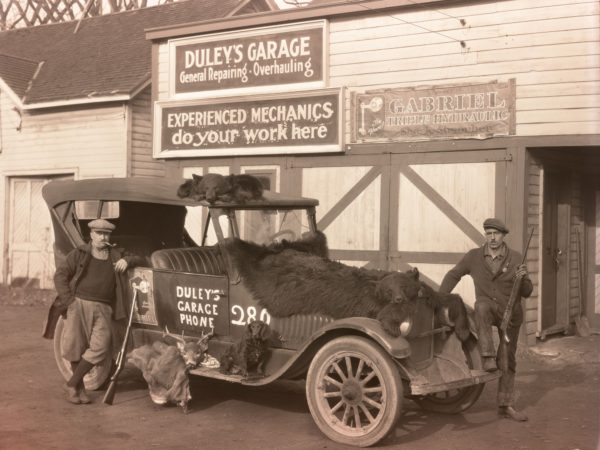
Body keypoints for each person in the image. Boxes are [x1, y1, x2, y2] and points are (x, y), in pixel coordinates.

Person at [439, 218, 532, 422]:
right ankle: (487, 356)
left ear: (503, 236)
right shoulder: (473, 256)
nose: (492, 238)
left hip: (511, 316)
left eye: (496, 234)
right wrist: (440, 297)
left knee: (507, 359)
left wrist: (524, 279)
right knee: (481, 306)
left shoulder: (516, 259)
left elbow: (527, 292)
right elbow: (454, 275)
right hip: (487, 311)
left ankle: (505, 405)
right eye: (488, 233)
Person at [53, 219, 144, 404]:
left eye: (107, 234)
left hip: (104, 308)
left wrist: (127, 260)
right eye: (100, 233)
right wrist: (69, 301)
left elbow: (142, 258)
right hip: (78, 304)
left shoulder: (116, 254)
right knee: (75, 347)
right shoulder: (79, 254)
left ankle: (71, 383)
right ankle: (80, 389)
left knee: (101, 348)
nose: (104, 237)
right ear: (91, 235)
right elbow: (60, 275)